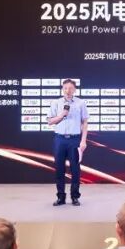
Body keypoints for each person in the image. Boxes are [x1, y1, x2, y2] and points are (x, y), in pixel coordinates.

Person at [47, 78, 88, 206]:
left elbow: (85, 122)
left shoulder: (81, 103)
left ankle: (75, 196)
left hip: (75, 140)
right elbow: (50, 121)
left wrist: (83, 141)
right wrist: (62, 115)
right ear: (62, 89)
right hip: (59, 139)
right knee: (59, 169)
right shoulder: (56, 102)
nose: (67, 90)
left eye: (70, 88)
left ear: (74, 89)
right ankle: (61, 197)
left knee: (75, 169)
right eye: (65, 88)